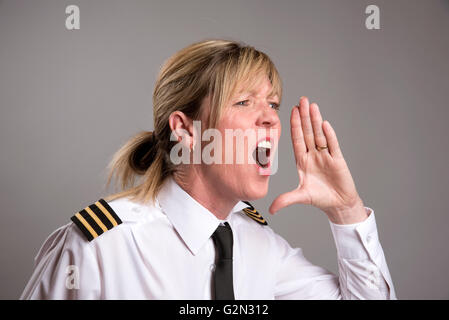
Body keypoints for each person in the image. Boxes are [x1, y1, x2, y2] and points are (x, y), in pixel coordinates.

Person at [20, 39, 396, 299]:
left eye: (274, 104)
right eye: (245, 101)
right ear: (185, 129)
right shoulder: (97, 247)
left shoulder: (260, 246)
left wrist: (346, 210)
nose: (269, 119)